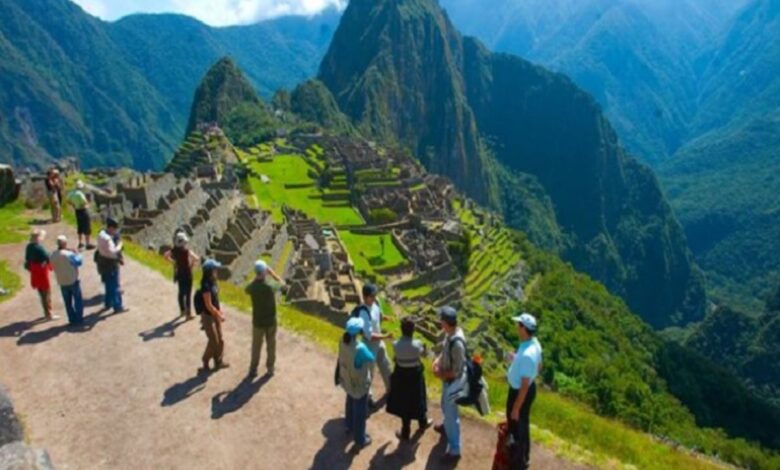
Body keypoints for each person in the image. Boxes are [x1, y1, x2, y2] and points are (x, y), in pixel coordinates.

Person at [506, 313, 542, 470]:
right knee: (523, 423)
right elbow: (539, 366)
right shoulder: (533, 343)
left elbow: (524, 385)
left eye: (519, 324)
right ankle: (523, 455)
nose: (516, 327)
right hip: (525, 389)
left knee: (517, 424)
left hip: (520, 393)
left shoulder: (528, 354)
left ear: (524, 329)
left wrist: (516, 408)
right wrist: (516, 359)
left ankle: (517, 461)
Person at [386, 317, 432, 440]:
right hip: (415, 376)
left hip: (401, 376)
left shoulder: (396, 345)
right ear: (413, 330)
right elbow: (424, 355)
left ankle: (405, 431)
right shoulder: (417, 345)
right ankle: (423, 423)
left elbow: (395, 359)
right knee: (419, 399)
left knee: (404, 403)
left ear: (401, 330)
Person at [432, 305, 467, 464]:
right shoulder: (450, 335)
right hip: (447, 381)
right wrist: (437, 361)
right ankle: (446, 427)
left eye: (441, 321)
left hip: (454, 383)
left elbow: (457, 371)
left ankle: (454, 450)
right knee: (445, 407)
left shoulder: (457, 343)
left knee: (452, 415)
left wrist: (440, 374)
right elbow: (444, 351)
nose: (440, 323)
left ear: (446, 323)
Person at [338, 317, 375, 449]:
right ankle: (360, 439)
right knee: (360, 411)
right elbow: (371, 358)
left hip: (347, 379)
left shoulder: (342, 341)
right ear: (359, 332)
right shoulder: (360, 348)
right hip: (359, 384)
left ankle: (349, 425)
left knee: (349, 401)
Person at [355, 283, 393, 405]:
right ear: (365, 297)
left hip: (379, 342)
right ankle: (367, 398)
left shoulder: (375, 303)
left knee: (386, 365)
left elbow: (378, 316)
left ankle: (391, 390)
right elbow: (369, 336)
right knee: (368, 372)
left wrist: (386, 317)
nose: (374, 297)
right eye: (372, 295)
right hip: (369, 345)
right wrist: (385, 336)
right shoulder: (363, 313)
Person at [245, 259, 284, 378]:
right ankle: (270, 368)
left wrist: (256, 277)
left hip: (257, 322)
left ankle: (253, 369)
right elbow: (282, 284)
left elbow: (247, 288)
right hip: (271, 321)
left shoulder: (252, 288)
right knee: (271, 346)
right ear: (265, 272)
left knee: (256, 347)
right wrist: (272, 273)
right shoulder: (270, 286)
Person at [198, 259, 229, 373]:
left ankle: (218, 362)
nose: (217, 271)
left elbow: (216, 300)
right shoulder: (205, 285)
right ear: (210, 271)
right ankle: (205, 361)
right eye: (215, 269)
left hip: (215, 314)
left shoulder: (213, 282)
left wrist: (219, 312)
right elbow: (208, 305)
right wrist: (219, 315)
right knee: (213, 340)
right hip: (208, 316)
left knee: (220, 339)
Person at [164, 232, 199, 319]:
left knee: (180, 293)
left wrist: (174, 262)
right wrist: (191, 265)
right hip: (187, 274)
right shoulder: (187, 251)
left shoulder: (174, 251)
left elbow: (166, 256)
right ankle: (188, 314)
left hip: (179, 273)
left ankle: (182, 310)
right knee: (188, 294)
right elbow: (196, 258)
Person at [50, 235, 84, 325]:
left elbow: (51, 267)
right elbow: (79, 262)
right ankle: (79, 318)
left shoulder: (53, 255)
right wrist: (78, 253)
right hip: (72, 279)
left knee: (67, 302)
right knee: (77, 300)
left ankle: (71, 319)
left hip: (61, 281)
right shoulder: (69, 255)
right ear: (65, 243)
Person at [24, 229, 57, 321]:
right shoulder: (39, 248)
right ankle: (49, 314)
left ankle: (46, 312)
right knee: (46, 293)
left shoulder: (29, 247)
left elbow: (27, 259)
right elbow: (47, 257)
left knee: (41, 293)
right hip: (42, 272)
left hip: (35, 272)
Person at [96, 218, 126, 313]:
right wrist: (120, 245)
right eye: (114, 229)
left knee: (108, 284)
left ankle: (108, 303)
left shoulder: (101, 234)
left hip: (102, 261)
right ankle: (118, 306)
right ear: (111, 228)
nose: (115, 231)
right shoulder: (107, 239)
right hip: (110, 262)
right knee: (114, 285)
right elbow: (113, 251)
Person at [66, 180, 95, 250]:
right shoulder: (80, 194)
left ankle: (80, 243)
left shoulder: (71, 193)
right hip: (83, 210)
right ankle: (88, 244)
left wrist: (73, 205)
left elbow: (68, 200)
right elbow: (84, 202)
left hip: (77, 211)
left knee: (80, 226)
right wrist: (87, 204)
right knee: (87, 227)